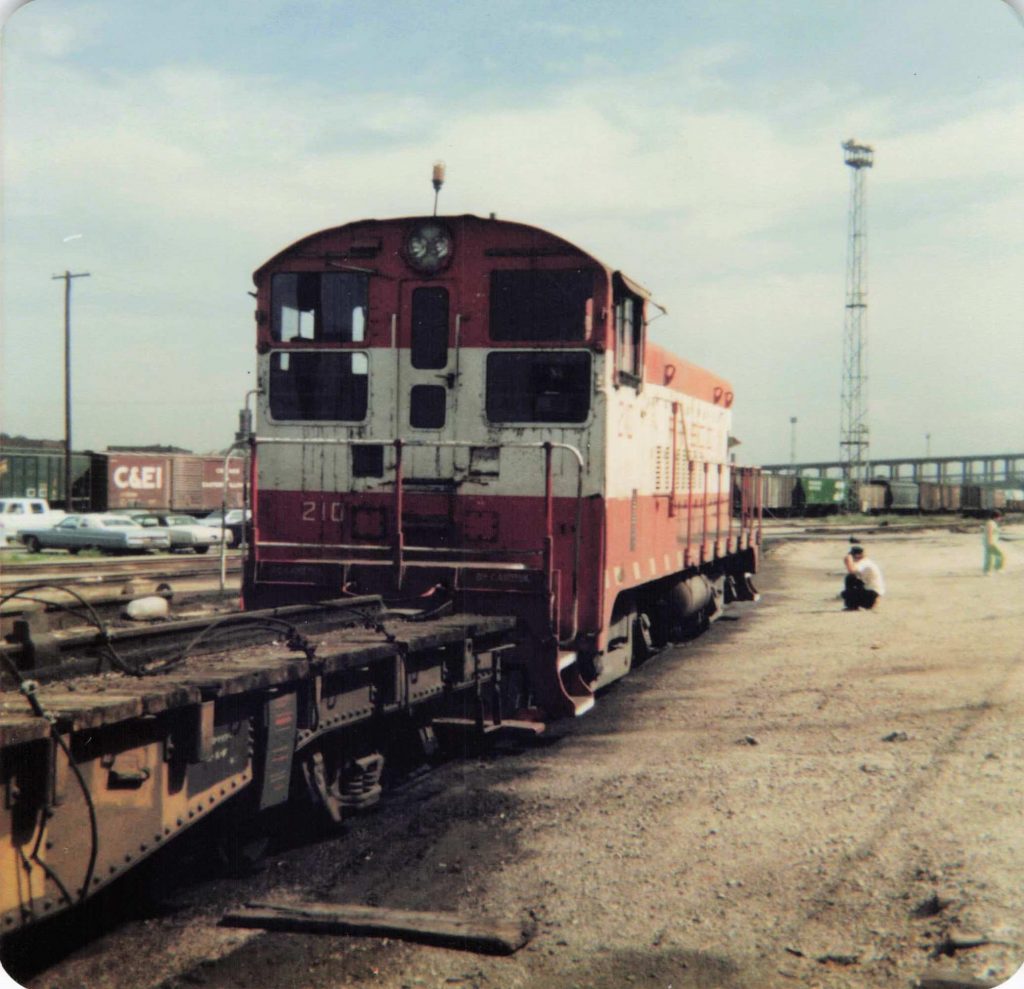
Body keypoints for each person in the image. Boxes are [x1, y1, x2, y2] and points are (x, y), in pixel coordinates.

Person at [841, 544, 885, 610]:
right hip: (874, 594)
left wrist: (848, 560)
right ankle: (854, 603)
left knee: (850, 578)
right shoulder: (867, 562)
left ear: (858, 555)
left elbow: (852, 571)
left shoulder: (864, 563)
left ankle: (852, 605)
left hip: (872, 595)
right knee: (852, 581)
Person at [983, 511, 1005, 575]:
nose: (1000, 519)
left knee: (990, 556)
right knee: (1001, 554)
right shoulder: (991, 523)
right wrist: (990, 542)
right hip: (991, 542)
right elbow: (989, 532)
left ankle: (987, 571)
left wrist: (1000, 530)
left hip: (989, 542)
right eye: (1000, 517)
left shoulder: (992, 523)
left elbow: (993, 531)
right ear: (996, 517)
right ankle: (998, 568)